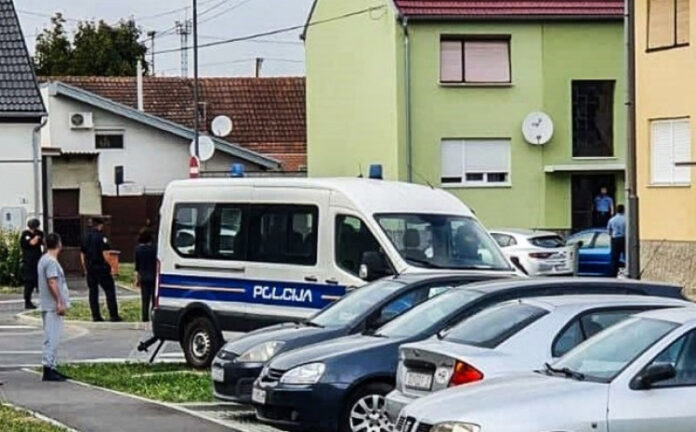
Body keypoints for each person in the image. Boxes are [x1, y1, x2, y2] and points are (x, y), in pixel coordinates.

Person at [38, 233, 70, 382]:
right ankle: (49, 367)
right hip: (52, 306)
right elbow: (52, 282)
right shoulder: (51, 262)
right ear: (59, 244)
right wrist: (59, 301)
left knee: (51, 336)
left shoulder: (44, 259)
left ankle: (52, 365)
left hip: (47, 304)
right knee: (53, 337)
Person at [80, 217, 121, 322]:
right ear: (100, 225)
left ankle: (96, 315)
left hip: (90, 268)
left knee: (93, 292)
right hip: (101, 267)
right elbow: (105, 253)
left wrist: (85, 268)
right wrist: (112, 267)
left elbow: (82, 254)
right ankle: (113, 315)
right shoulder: (101, 237)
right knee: (109, 290)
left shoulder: (85, 237)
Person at [20, 219, 44, 309]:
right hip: (28, 262)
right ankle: (27, 301)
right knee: (29, 282)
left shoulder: (40, 233)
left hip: (38, 261)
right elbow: (32, 242)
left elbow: (44, 242)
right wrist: (37, 237)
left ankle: (44, 300)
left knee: (40, 281)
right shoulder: (25, 234)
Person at [134, 229, 157, 322]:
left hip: (143, 277)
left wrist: (136, 279)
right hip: (154, 276)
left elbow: (137, 266)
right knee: (154, 300)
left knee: (145, 300)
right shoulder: (154, 248)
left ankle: (144, 318)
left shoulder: (138, 249)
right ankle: (154, 317)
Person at [607, 204, 627, 277]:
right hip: (624, 238)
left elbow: (609, 231)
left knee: (614, 258)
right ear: (623, 210)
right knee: (626, 256)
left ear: (616, 210)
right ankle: (626, 272)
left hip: (615, 239)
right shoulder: (626, 219)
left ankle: (613, 274)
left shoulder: (612, 220)